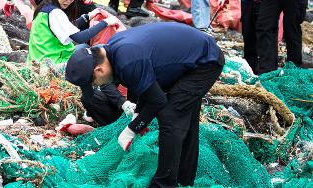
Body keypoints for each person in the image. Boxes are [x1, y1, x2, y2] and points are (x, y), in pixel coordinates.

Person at [65, 22, 225, 188]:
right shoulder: (113, 50)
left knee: (171, 116)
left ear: (99, 70)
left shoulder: (127, 60)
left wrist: (132, 129)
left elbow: (158, 100)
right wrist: (138, 114)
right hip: (189, 60)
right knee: (185, 118)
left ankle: (163, 184)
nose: (97, 86)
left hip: (205, 62)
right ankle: (184, 179)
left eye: (93, 82)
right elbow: (142, 86)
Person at [28, 0, 120, 64]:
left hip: (38, 59)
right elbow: (79, 38)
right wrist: (106, 22)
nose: (69, 1)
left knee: (84, 47)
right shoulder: (55, 13)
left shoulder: (45, 7)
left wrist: (88, 16)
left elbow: (67, 27)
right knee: (98, 50)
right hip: (51, 64)